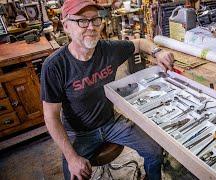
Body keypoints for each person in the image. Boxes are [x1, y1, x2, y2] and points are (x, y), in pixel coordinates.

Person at [40, 0, 174, 179]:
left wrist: (158, 52)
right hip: (79, 133)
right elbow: (51, 117)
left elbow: (141, 43)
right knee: (74, 175)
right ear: (66, 26)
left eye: (95, 20)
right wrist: (72, 158)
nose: (91, 27)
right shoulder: (55, 65)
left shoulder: (108, 50)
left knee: (155, 150)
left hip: (111, 122)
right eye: (82, 21)